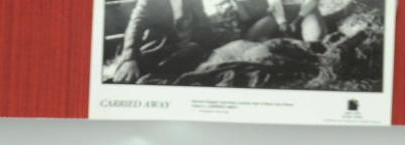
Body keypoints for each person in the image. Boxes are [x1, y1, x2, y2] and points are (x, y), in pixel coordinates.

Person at [112, 0, 323, 83]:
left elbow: (203, 26)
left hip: (195, 45)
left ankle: (315, 46)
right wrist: (130, 57)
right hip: (164, 47)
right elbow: (136, 23)